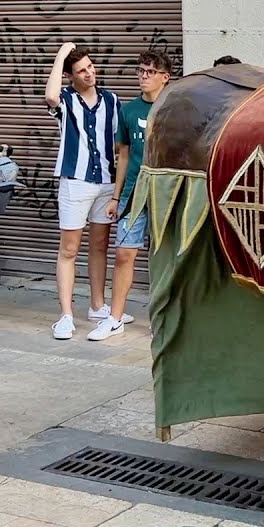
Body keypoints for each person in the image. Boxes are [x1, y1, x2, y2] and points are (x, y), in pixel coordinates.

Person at [90, 50, 174, 341]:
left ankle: (162, 318)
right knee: (125, 253)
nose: (144, 76)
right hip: (133, 194)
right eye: (141, 71)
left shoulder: (175, 109)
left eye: (150, 72)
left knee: (163, 256)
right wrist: (116, 196)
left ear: (165, 77)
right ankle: (115, 318)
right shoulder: (128, 111)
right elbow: (123, 155)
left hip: (165, 193)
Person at [44, 42, 121, 340]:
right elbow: (50, 95)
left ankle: (98, 306)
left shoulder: (112, 100)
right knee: (69, 248)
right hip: (75, 181)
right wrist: (61, 54)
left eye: (90, 67)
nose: (89, 73)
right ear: (70, 76)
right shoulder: (64, 99)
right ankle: (65, 315)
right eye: (81, 70)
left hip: (106, 181)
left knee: (100, 245)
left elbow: (118, 142)